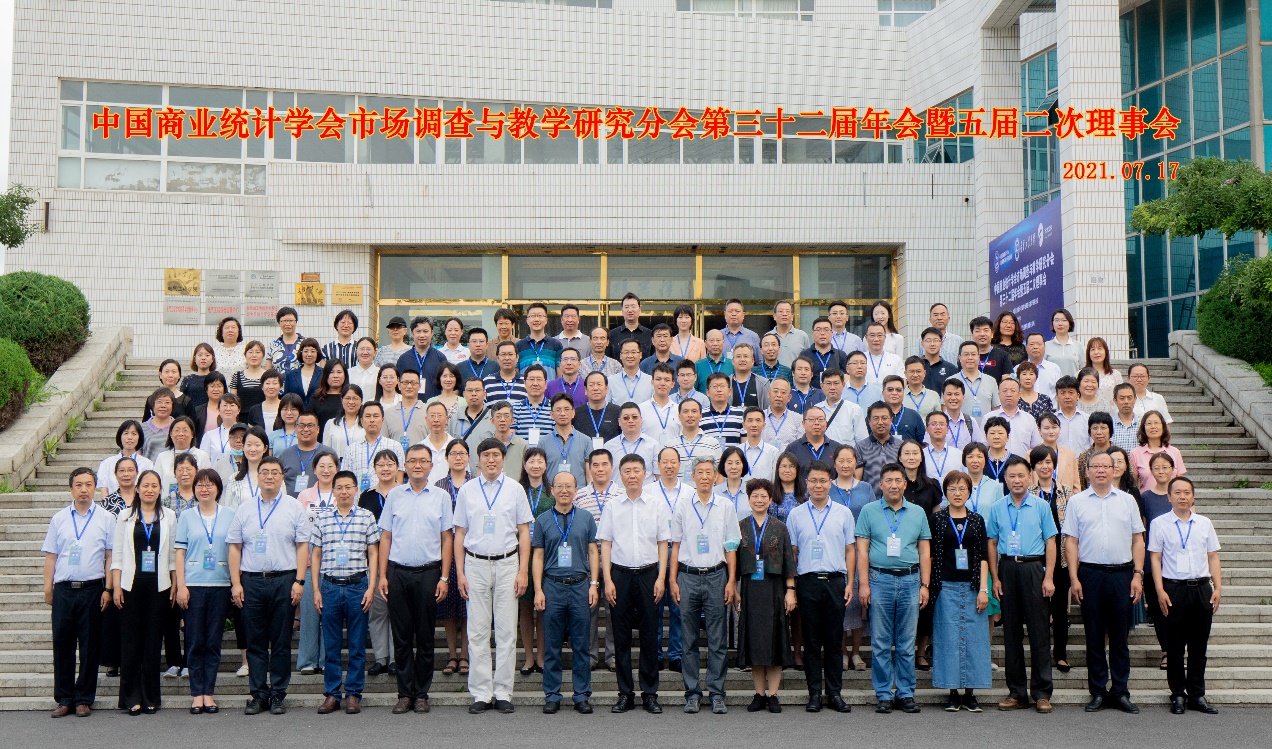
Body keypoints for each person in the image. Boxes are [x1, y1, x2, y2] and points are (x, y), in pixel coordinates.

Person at [1063, 450, 1146, 714]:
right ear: (1087, 471)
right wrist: (1074, 578)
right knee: (1094, 635)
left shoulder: (1127, 501)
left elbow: (1138, 539)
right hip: (1090, 575)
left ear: (1114, 470)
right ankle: (1098, 691)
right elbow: (1071, 542)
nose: (1100, 470)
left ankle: (1120, 691)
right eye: (1095, 466)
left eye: (1105, 466)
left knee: (1120, 637)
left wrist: (1138, 574)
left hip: (1122, 574)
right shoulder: (1077, 502)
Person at [454, 438, 533, 714]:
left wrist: (523, 570)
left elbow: (524, 531)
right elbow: (459, 533)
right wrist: (460, 572)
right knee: (477, 631)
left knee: (507, 631)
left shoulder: (515, 489)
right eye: (486, 455)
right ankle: (481, 692)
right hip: (475, 564)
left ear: (503, 458)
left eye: (496, 455)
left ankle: (503, 692)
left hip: (508, 563)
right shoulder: (467, 490)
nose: (491, 460)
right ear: (478, 459)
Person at [226, 456, 309, 716]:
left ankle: (278, 694)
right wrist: (236, 583)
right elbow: (234, 548)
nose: (269, 476)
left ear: (282, 477)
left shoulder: (294, 507)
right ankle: (259, 694)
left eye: (275, 472)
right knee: (255, 641)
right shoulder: (245, 509)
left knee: (281, 641)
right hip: (251, 582)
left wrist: (299, 581)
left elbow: (303, 546)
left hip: (284, 580)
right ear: (257, 477)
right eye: (265, 472)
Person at [377, 445, 453, 714]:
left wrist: (444, 577)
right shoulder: (395, 495)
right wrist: (382, 575)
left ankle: (421, 693)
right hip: (398, 572)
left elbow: (447, 538)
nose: (417, 465)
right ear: (405, 466)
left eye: (423, 461)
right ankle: (404, 694)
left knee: (425, 636)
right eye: (412, 461)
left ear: (431, 465)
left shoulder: (442, 497)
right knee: (401, 637)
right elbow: (386, 536)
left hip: (429, 573)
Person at [855, 462, 931, 714]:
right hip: (880, 580)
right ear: (881, 484)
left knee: (907, 642)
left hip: (910, 580)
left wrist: (925, 585)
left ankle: (906, 693)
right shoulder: (869, 511)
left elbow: (924, 551)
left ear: (905, 484)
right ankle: (884, 694)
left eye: (898, 480)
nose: (894, 485)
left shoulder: (918, 512)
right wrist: (863, 584)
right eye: (888, 481)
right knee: (880, 641)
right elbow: (862, 551)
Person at [985, 456, 1058, 713]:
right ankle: (1016, 692)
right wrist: (995, 577)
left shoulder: (1041, 506)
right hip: (1007, 568)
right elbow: (992, 543)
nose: (1017, 480)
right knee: (1011, 633)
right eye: (1012, 476)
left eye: (1021, 476)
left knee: (1039, 632)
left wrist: (1049, 576)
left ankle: (1042, 693)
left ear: (1030, 477)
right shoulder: (997, 507)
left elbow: (1051, 541)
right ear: (1005, 479)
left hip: (1033, 568)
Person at [598, 454, 670, 714]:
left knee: (650, 634)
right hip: (620, 576)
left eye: (636, 470)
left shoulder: (656, 505)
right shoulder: (612, 506)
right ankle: (625, 693)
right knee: (621, 636)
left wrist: (661, 577)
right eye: (627, 470)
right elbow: (605, 543)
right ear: (620, 474)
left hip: (649, 575)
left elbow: (663, 542)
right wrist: (607, 580)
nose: (632, 475)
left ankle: (650, 693)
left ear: (645, 473)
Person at [669, 456, 740, 715]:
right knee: (688, 639)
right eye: (700, 472)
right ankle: (692, 693)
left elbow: (731, 546)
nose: (705, 477)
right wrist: (672, 580)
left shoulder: (725, 506)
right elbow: (676, 545)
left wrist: (731, 581)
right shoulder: (682, 505)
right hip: (687, 576)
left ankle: (717, 693)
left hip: (716, 576)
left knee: (717, 639)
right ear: (693, 476)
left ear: (716, 476)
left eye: (709, 472)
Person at [44, 468, 116, 717]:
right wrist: (48, 587)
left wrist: (108, 588)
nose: (83, 489)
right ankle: (64, 698)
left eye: (88, 484)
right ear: (71, 488)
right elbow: (51, 556)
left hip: (93, 589)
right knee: (62, 644)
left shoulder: (106, 518)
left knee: (90, 645)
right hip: (64, 590)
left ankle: (84, 698)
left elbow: (110, 556)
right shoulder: (59, 519)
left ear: (95, 487)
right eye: (78, 485)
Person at [785, 460, 855, 712]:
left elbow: (850, 550)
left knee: (834, 642)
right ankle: (814, 693)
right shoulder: (796, 514)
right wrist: (792, 587)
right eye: (813, 480)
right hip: (808, 582)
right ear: (806, 482)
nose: (818, 485)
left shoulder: (843, 513)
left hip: (835, 581)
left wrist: (850, 582)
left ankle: (835, 694)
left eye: (823, 481)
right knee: (812, 642)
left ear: (831, 483)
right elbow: (792, 553)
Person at [1148, 476, 1222, 715]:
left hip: (1201, 588)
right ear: (1169, 497)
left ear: (1193, 496)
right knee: (1175, 646)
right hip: (1174, 589)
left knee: (1199, 647)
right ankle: (1178, 694)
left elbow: (1213, 556)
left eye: (1187, 492)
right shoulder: (1159, 524)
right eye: (1177, 492)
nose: (1183, 497)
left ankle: (1197, 695)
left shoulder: (1204, 523)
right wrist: (1160, 590)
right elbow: (1155, 558)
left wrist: (1218, 587)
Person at [309, 470, 380, 715]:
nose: (344, 492)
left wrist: (371, 587)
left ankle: (353, 694)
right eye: (339, 487)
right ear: (333, 491)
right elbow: (315, 555)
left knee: (357, 645)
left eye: (348, 487)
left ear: (356, 489)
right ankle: (332, 694)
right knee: (331, 645)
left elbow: (373, 553)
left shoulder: (366, 517)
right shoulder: (322, 518)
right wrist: (316, 589)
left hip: (357, 586)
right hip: (329, 587)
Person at [532, 470, 599, 713]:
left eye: (569, 486)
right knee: (552, 645)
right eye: (559, 486)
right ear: (552, 490)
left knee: (581, 645)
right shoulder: (542, 520)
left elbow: (593, 551)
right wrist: (538, 589)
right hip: (553, 586)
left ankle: (581, 695)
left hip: (580, 585)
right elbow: (538, 556)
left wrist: (594, 584)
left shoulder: (586, 518)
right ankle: (552, 695)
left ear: (576, 490)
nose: (564, 490)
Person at [110, 469, 177, 715]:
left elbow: (173, 555)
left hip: (159, 587)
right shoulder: (125, 516)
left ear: (160, 490)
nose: (150, 490)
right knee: (130, 643)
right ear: (137, 489)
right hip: (130, 585)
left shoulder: (169, 516)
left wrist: (175, 584)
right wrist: (116, 586)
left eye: (154, 486)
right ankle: (131, 698)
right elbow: (117, 555)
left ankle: (150, 697)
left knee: (152, 643)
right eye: (145, 485)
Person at [929, 471, 991, 713]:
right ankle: (953, 693)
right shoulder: (937, 519)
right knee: (948, 640)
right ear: (945, 492)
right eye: (952, 489)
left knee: (974, 641)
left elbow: (983, 556)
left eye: (962, 489)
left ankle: (971, 693)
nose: (957, 493)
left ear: (969, 492)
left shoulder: (976, 520)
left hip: (973, 586)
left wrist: (983, 589)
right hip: (945, 586)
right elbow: (930, 554)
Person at [172, 469, 232, 713]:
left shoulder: (230, 515)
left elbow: (235, 550)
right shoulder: (186, 516)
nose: (204, 489)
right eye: (200, 485)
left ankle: (209, 693)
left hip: (221, 585)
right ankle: (197, 694)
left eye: (209, 485)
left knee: (213, 642)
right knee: (195, 641)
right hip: (194, 586)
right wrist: (181, 585)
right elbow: (179, 553)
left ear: (218, 488)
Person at [735, 478, 796, 713]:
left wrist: (790, 591)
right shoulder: (740, 526)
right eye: (755, 496)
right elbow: (734, 561)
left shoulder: (780, 527)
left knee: (775, 640)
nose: (759, 500)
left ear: (770, 500)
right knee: (754, 642)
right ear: (748, 499)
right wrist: (735, 589)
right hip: (750, 588)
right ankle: (759, 694)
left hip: (775, 588)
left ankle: (773, 694)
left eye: (763, 496)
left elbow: (789, 560)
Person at [573, 449, 623, 670]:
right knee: (589, 610)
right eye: (595, 465)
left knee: (614, 610)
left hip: (615, 561)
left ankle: (613, 656)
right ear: (589, 468)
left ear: (612, 467)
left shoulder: (621, 494)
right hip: (587, 561)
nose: (600, 469)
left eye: (604, 464)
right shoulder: (579, 496)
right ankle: (590, 656)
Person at [1028, 446, 1075, 672]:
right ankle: (1041, 654)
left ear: (1054, 465)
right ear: (1033, 467)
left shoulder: (1066, 493)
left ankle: (1061, 654)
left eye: (1048, 462)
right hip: (1036, 557)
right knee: (1038, 610)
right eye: (1039, 463)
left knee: (1059, 609)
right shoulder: (1028, 492)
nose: (1044, 466)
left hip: (1062, 557)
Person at [357, 450, 402, 679]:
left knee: (397, 612)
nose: (385, 468)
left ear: (397, 467)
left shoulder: (404, 493)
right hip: (372, 560)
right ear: (374, 469)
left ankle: (395, 659)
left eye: (390, 464)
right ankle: (381, 658)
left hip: (398, 560)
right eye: (381, 465)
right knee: (377, 612)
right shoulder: (366, 497)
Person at [431, 441, 470, 677]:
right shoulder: (439, 486)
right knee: (448, 607)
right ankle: (452, 655)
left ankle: (465, 655)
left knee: (467, 605)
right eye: (453, 453)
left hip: (469, 550)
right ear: (446, 458)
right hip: (445, 550)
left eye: (462, 453)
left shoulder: (475, 483)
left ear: (468, 457)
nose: (458, 457)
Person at [651, 447, 691, 672]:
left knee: (678, 605)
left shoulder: (689, 492)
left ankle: (676, 654)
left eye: (673, 461)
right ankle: (656, 654)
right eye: (664, 461)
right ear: (658, 465)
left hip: (680, 553)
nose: (669, 465)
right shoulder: (648, 491)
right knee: (655, 605)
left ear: (679, 465)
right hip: (655, 553)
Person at [516, 449, 554, 675]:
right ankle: (529, 657)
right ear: (525, 465)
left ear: (546, 465)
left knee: (543, 608)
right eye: (531, 461)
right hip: (521, 555)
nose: (536, 465)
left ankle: (542, 656)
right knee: (525, 608)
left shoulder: (551, 492)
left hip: (545, 555)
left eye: (540, 461)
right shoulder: (517, 491)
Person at [664, 398, 723, 482]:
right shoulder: (670, 445)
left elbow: (720, 473)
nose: (690, 415)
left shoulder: (713, 443)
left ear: (700, 416)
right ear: (679, 416)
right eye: (685, 411)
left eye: (694, 411)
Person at [984, 377, 1042, 458]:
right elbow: (983, 446)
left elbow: (1036, 447)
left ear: (1019, 395)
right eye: (1004, 391)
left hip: (1023, 464)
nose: (1008, 394)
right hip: (996, 465)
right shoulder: (988, 417)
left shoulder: (1029, 419)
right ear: (998, 395)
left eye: (1013, 391)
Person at [1131, 410, 1186, 494]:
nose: (1153, 426)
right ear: (1143, 428)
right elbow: (1133, 484)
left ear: (1163, 426)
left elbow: (1180, 482)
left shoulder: (1175, 452)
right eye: (1149, 423)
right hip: (1146, 500)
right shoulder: (1135, 453)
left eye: (1156, 423)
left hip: (1171, 499)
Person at [97, 420, 155, 496]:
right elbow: (104, 491)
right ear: (120, 436)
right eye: (126, 433)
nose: (130, 437)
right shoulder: (107, 463)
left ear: (139, 437)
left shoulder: (147, 464)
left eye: (134, 434)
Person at [855, 402, 901, 488]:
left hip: (896, 494)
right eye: (876, 418)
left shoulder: (901, 446)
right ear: (869, 421)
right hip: (870, 495)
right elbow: (857, 479)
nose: (880, 422)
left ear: (891, 420)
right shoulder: (860, 447)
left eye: (884, 418)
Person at [396, 317, 446, 395]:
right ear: (412, 334)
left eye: (425, 331)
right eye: (418, 331)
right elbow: (397, 386)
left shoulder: (440, 358)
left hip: (433, 402)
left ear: (432, 333)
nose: (422, 335)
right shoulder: (403, 359)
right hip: (409, 402)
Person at [954, 341, 999, 426]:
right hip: (960, 430)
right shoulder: (951, 381)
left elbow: (996, 409)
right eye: (966, 354)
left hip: (986, 430)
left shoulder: (991, 381)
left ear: (978, 357)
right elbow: (945, 408)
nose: (970, 358)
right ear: (960, 358)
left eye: (973, 354)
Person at [818, 369, 867, 446]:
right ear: (822, 386)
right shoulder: (816, 410)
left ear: (843, 385)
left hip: (846, 453)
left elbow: (862, 441)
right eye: (828, 383)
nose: (832, 387)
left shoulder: (854, 410)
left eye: (836, 383)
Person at [517, 303, 564, 378]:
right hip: (525, 386)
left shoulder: (556, 344)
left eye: (540, 316)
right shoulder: (519, 346)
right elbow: (516, 372)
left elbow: (560, 374)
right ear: (527, 320)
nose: (536, 319)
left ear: (546, 320)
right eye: (533, 316)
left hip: (549, 386)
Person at [574, 371, 622, 445]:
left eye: (599, 384)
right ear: (585, 390)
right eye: (591, 385)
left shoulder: (618, 412)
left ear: (606, 389)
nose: (595, 388)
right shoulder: (576, 413)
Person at [800, 316, 850, 387]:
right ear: (812, 334)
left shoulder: (841, 355)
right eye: (818, 330)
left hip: (834, 392)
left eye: (826, 330)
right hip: (812, 393)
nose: (822, 333)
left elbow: (846, 377)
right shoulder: (805, 355)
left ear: (832, 333)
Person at [1038, 412, 1081, 491]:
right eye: (1046, 428)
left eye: (1054, 427)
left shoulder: (1069, 454)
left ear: (1059, 429)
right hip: (1039, 497)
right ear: (1039, 430)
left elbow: (1076, 485)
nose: (1051, 431)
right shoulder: (1031, 454)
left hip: (1066, 497)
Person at [639, 364, 680, 445]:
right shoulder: (641, 409)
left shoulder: (679, 410)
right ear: (652, 382)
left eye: (667, 380)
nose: (662, 383)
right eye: (658, 379)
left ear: (672, 384)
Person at [938, 379, 984, 451]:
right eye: (949, 394)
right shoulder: (936, 422)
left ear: (963, 398)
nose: (953, 398)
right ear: (943, 398)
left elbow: (980, 447)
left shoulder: (970, 422)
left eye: (957, 394)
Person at [739, 407, 781, 483]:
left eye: (758, 420)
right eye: (750, 420)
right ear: (744, 425)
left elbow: (775, 482)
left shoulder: (773, 452)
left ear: (764, 425)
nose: (754, 425)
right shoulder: (737, 452)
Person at [702, 372, 745, 446]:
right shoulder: (700, 416)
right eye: (714, 386)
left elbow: (744, 444)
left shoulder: (741, 414)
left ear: (729, 391)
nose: (719, 390)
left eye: (722, 386)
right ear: (708, 392)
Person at [607, 292, 653, 359]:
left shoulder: (650, 335)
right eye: (626, 307)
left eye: (633, 306)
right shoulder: (612, 335)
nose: (630, 310)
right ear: (622, 311)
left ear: (639, 310)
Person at [880, 375, 925, 442]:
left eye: (898, 390)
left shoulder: (914, 415)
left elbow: (922, 442)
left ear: (903, 392)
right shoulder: (875, 416)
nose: (894, 393)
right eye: (890, 390)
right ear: (883, 393)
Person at [1077, 412, 1114, 491]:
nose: (1099, 432)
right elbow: (1081, 483)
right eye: (1095, 428)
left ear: (1110, 430)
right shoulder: (1084, 457)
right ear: (1089, 431)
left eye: (1103, 428)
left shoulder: (1119, 454)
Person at [282, 338, 323, 409]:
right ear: (301, 353)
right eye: (306, 351)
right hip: (297, 413)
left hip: (318, 412)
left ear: (317, 353)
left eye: (313, 351)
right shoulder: (291, 375)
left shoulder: (324, 374)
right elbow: (286, 398)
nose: (309, 354)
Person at [610, 339, 654, 405]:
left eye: (633, 352)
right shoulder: (611, 381)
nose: (630, 356)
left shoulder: (650, 381)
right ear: (620, 356)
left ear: (640, 355)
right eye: (626, 352)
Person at [763, 379, 804, 449]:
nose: (779, 395)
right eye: (775, 391)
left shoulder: (798, 419)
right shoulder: (760, 417)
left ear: (789, 397)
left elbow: (801, 447)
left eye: (783, 392)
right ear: (769, 394)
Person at [451, 377, 492, 447]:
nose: (473, 394)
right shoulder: (455, 418)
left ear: (484, 394)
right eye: (470, 390)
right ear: (464, 394)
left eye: (477, 390)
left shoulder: (492, 418)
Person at [484, 341, 527, 407]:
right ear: (497, 358)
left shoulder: (526, 382)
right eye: (503, 354)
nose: (507, 358)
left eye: (510, 354)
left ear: (517, 357)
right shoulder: (487, 382)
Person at [1020, 332, 1061, 401]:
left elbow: (1060, 393)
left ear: (1045, 347)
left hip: (1050, 408)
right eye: (1032, 344)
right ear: (1026, 348)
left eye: (1039, 344)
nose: (1035, 347)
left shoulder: (1054, 368)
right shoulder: (1018, 369)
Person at [766, 300, 808, 367]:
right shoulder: (767, 337)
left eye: (788, 311)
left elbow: (807, 360)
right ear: (774, 316)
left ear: (792, 316)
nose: (784, 314)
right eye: (781, 311)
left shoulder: (802, 336)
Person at [729, 344, 770, 410]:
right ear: (733, 361)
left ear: (752, 361)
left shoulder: (763, 383)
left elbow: (767, 409)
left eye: (746, 356)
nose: (742, 359)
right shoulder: (726, 383)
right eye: (738, 356)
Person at [918, 327, 959, 393]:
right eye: (928, 341)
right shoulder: (916, 367)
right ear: (922, 344)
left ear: (941, 344)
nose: (932, 344)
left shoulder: (951, 368)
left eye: (936, 340)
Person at [1044, 308, 1082, 378]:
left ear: (1070, 324)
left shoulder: (1078, 346)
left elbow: (1084, 370)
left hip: (1073, 384)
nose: (1060, 323)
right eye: (1056, 320)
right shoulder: (1045, 346)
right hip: (1052, 385)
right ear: (1053, 324)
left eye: (1064, 320)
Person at [863, 322, 904, 386]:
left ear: (885, 337)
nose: (876, 339)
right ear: (866, 338)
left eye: (879, 335)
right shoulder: (859, 359)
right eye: (872, 335)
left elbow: (902, 381)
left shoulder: (895, 359)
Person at [770, 452, 806, 524]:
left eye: (791, 466)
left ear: (797, 470)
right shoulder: (770, 493)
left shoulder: (806, 494)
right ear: (778, 469)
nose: (787, 470)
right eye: (784, 466)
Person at [922, 412, 959, 481]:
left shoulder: (958, 454)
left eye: (942, 424)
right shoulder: (921, 454)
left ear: (947, 429)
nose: (938, 427)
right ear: (927, 429)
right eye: (933, 424)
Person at [182, 342, 218, 412]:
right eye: (200, 355)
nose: (203, 358)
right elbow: (183, 402)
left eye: (207, 355)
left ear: (212, 359)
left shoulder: (217, 378)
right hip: (191, 416)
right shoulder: (188, 380)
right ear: (195, 359)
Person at [267, 307, 304, 373]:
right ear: (279, 323)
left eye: (291, 321)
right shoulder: (273, 345)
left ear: (296, 322)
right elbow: (268, 371)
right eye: (284, 321)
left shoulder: (304, 343)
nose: (287, 324)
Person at [193, 371, 229, 436]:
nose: (216, 389)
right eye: (212, 386)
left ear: (224, 389)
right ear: (206, 389)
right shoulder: (198, 411)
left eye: (219, 386)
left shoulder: (229, 409)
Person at [1108, 382, 1141, 452]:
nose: (1126, 402)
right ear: (1115, 401)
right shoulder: (1109, 424)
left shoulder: (1143, 424)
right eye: (1122, 398)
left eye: (1129, 398)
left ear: (1135, 399)